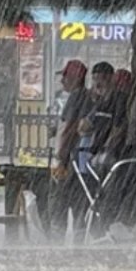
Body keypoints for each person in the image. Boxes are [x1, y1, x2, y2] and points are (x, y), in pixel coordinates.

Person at [49, 59, 92, 245]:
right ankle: (78, 242)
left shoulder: (76, 97)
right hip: (81, 161)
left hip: (69, 159)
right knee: (79, 202)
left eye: (65, 76)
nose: (62, 81)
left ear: (75, 78)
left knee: (60, 201)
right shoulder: (88, 97)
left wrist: (60, 157)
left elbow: (68, 128)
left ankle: (57, 241)